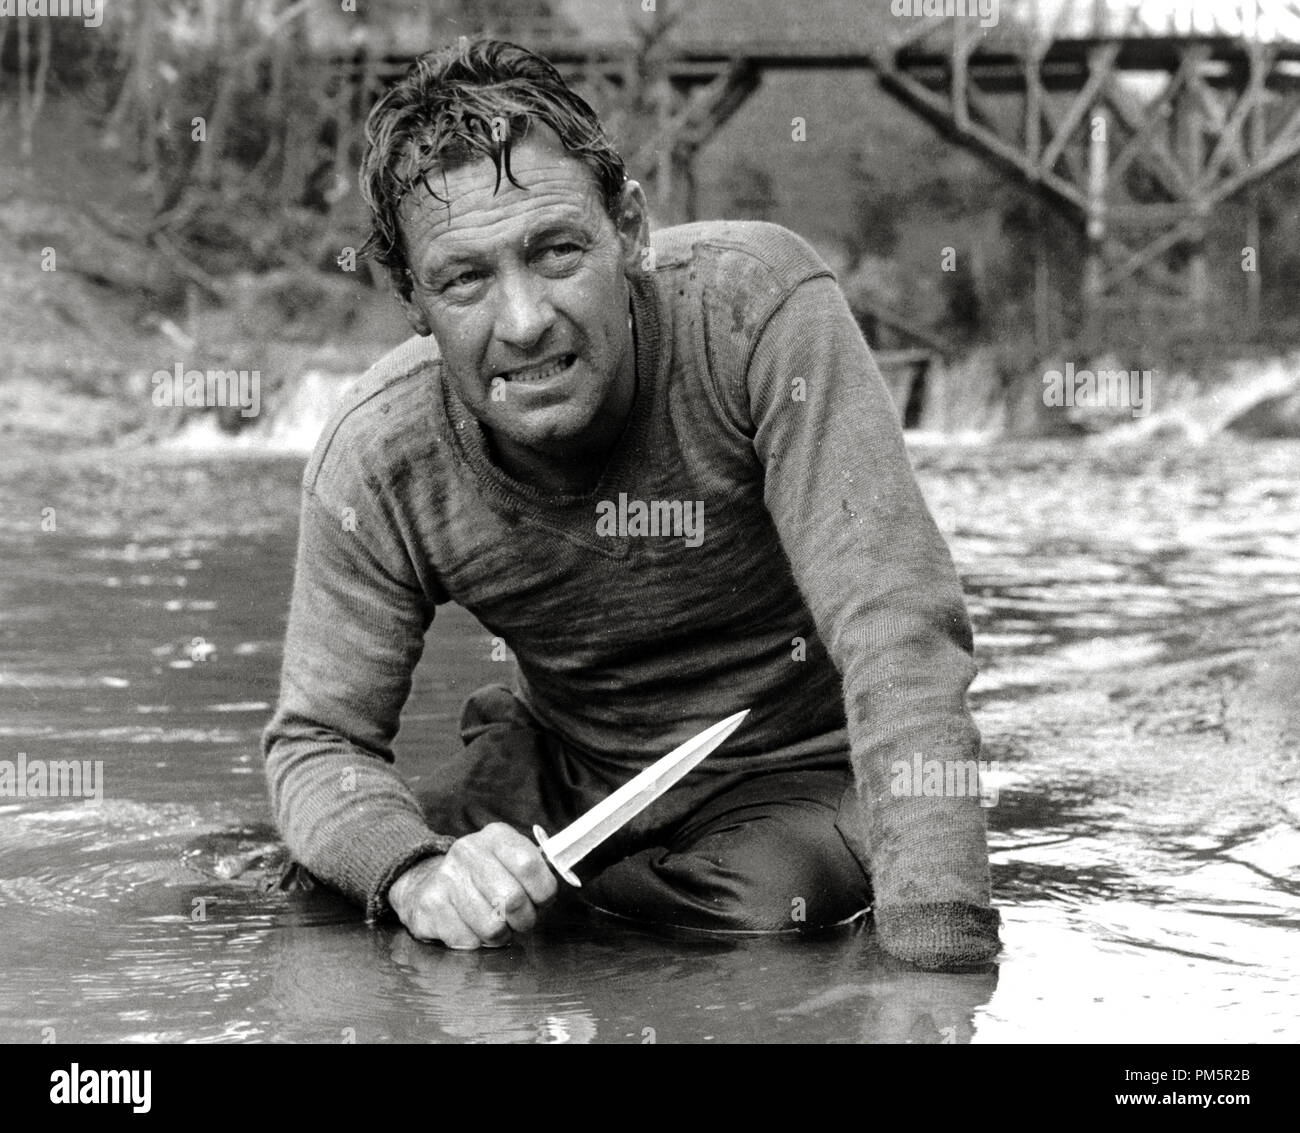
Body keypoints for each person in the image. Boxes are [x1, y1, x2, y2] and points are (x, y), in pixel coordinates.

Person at [261, 37, 1001, 970]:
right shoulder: (377, 454)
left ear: (631, 231)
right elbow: (318, 741)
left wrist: (943, 971)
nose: (525, 321)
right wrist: (418, 876)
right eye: (465, 279)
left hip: (798, 769)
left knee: (761, 917)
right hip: (571, 772)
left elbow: (900, 631)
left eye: (557, 250)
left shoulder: (759, 312)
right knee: (304, 886)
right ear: (412, 296)